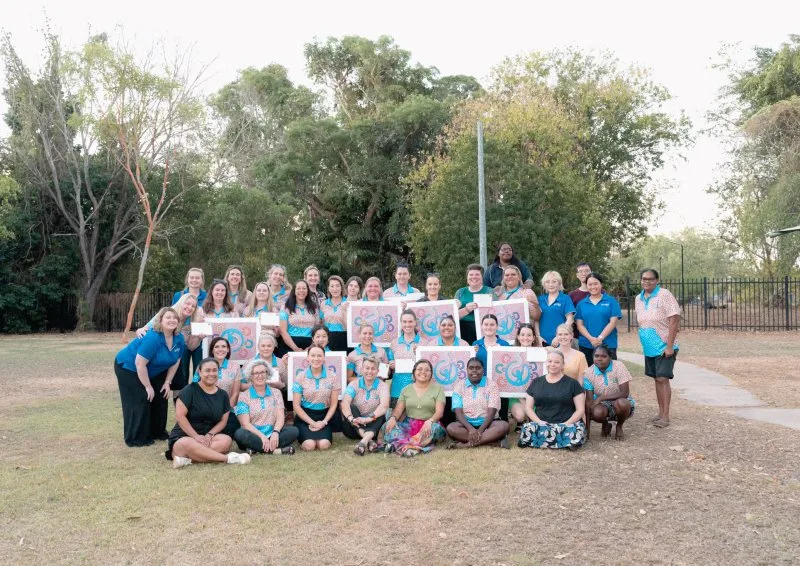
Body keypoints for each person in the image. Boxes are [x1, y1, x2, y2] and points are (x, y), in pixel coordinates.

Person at [115, 307, 185, 447]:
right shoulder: (153, 338)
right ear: (160, 320)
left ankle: (157, 432)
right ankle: (136, 438)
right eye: (168, 317)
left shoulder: (179, 338)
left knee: (161, 395)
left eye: (174, 318)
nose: (172, 320)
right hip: (129, 367)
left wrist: (167, 382)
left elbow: (176, 360)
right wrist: (147, 386)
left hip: (152, 370)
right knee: (141, 398)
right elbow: (140, 364)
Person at [167, 357, 251, 468]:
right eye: (207, 370)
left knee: (226, 440)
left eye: (214, 370)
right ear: (200, 372)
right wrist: (195, 436)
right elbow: (180, 416)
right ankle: (229, 459)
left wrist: (209, 435)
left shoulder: (223, 395)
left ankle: (186, 459)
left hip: (208, 437)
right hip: (185, 436)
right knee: (186, 444)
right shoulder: (189, 390)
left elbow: (223, 421)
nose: (211, 373)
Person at [635, 268, 681, 428]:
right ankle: (660, 413)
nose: (646, 281)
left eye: (650, 279)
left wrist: (669, 346)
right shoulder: (638, 299)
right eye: (644, 279)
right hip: (649, 347)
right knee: (656, 379)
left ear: (656, 280)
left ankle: (666, 416)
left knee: (663, 378)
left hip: (664, 346)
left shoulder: (664, 295)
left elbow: (674, 319)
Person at [137, 293, 205, 400]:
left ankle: (180, 408)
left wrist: (198, 337)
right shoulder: (169, 313)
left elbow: (191, 347)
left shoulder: (193, 320)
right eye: (187, 304)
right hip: (158, 353)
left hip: (175, 354)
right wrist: (140, 330)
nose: (190, 307)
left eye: (193, 306)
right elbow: (146, 328)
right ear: (181, 302)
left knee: (180, 382)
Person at [517, 350, 586, 450]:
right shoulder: (536, 382)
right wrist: (539, 422)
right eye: (550, 361)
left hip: (566, 424)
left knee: (575, 430)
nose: (553, 365)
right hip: (542, 424)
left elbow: (580, 410)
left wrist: (565, 424)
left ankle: (544, 441)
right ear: (546, 363)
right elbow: (528, 407)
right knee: (528, 429)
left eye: (557, 362)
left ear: (563, 365)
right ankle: (560, 441)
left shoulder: (573, 383)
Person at [381, 359, 446, 457]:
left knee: (435, 429)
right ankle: (411, 447)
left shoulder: (438, 389)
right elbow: (398, 410)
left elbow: (439, 412)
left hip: (429, 425)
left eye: (427, 370)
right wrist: (393, 418)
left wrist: (430, 421)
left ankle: (399, 445)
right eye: (419, 369)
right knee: (389, 426)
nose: (423, 372)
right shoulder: (406, 389)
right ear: (414, 372)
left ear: (431, 374)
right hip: (409, 425)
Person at [234, 359, 298, 455]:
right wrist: (262, 437)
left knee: (294, 431)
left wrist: (276, 432)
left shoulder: (276, 392)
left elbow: (280, 417)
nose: (260, 376)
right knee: (239, 434)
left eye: (263, 372)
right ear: (251, 377)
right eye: (256, 373)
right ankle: (277, 451)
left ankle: (256, 449)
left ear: (267, 374)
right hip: (253, 434)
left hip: (273, 433)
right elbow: (245, 424)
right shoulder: (244, 396)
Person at [447, 358, 510, 449]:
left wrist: (480, 431)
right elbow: (458, 412)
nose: (474, 370)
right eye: (471, 368)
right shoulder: (459, 385)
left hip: (488, 424)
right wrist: (471, 429)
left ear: (483, 370)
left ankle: (466, 445)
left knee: (503, 426)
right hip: (466, 425)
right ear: (467, 370)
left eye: (478, 368)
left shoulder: (491, 385)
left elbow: (492, 411)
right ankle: (492, 442)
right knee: (451, 428)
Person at [292, 345, 340, 451]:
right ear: (308, 358)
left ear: (324, 358)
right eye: (313, 355)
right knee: (309, 446)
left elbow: (333, 405)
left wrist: (324, 422)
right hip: (305, 417)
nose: (316, 359)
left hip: (324, 417)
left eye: (319, 356)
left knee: (324, 445)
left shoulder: (333, 376)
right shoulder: (300, 376)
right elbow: (296, 405)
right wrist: (312, 423)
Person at [583, 345, 635, 441]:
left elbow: (625, 392)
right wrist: (587, 430)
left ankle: (619, 426)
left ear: (610, 357)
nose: (599, 359)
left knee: (622, 403)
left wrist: (601, 398)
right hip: (603, 404)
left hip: (621, 400)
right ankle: (605, 424)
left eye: (604, 356)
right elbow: (589, 402)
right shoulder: (588, 373)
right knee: (597, 412)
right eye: (596, 356)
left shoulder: (619, 366)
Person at [341, 355, 390, 455]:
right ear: (362, 370)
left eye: (373, 368)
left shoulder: (383, 386)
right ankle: (369, 441)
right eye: (367, 368)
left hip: (373, 425)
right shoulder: (354, 384)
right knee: (351, 407)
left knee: (381, 413)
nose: (370, 371)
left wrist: (369, 419)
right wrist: (351, 419)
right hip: (353, 427)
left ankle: (363, 443)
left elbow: (384, 406)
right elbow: (345, 402)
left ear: (377, 371)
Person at [575, 272, 623, 366]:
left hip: (608, 343)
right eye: (590, 284)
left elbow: (613, 322)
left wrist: (600, 338)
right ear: (587, 286)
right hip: (586, 344)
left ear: (601, 284)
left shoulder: (611, 301)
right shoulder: (581, 304)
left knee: (610, 374)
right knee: (588, 374)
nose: (593, 287)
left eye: (596, 283)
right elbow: (579, 325)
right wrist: (591, 339)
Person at [509, 323, 543, 424]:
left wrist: (548, 349)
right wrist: (525, 403)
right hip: (517, 396)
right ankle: (516, 417)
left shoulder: (541, 353)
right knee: (520, 416)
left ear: (534, 338)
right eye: (523, 335)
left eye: (529, 335)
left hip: (536, 397)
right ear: (518, 337)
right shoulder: (510, 354)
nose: (525, 338)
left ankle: (529, 418)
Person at [278, 279, 323, 355]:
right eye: (298, 288)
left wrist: (310, 347)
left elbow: (317, 330)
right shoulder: (286, 308)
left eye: (304, 288)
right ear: (294, 291)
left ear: (308, 291)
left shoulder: (314, 308)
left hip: (310, 347)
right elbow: (282, 331)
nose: (301, 290)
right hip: (288, 346)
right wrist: (295, 349)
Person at [388, 310, 422, 404]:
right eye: (404, 322)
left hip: (418, 391)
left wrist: (399, 365)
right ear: (401, 323)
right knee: (395, 418)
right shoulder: (394, 343)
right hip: (397, 391)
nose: (407, 324)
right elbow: (390, 368)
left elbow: (426, 367)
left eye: (410, 321)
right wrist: (389, 366)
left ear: (415, 322)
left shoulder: (424, 343)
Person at [455, 264, 494, 345]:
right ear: (467, 278)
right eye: (471, 275)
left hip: (484, 329)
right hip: (463, 329)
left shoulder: (489, 291)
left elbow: (497, 311)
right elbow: (453, 315)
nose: (474, 277)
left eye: (477, 274)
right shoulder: (460, 292)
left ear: (482, 277)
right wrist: (467, 309)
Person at [537, 271, 576, 346]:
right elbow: (536, 320)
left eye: (554, 281)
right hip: (542, 341)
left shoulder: (565, 298)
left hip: (561, 341)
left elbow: (570, 319)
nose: (550, 285)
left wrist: (559, 337)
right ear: (544, 284)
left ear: (559, 283)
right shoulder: (540, 299)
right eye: (547, 282)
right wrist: (538, 336)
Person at [320, 275, 348, 352]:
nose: (335, 289)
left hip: (345, 338)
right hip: (328, 339)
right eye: (332, 286)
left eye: (337, 286)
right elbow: (321, 323)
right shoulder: (323, 304)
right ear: (328, 288)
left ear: (342, 288)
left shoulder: (347, 303)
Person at [568, 262, 592, 343]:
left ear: (591, 273)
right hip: (578, 338)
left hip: (598, 337)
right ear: (577, 275)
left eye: (587, 271)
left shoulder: (601, 293)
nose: (584, 273)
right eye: (580, 271)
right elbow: (570, 317)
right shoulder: (572, 295)